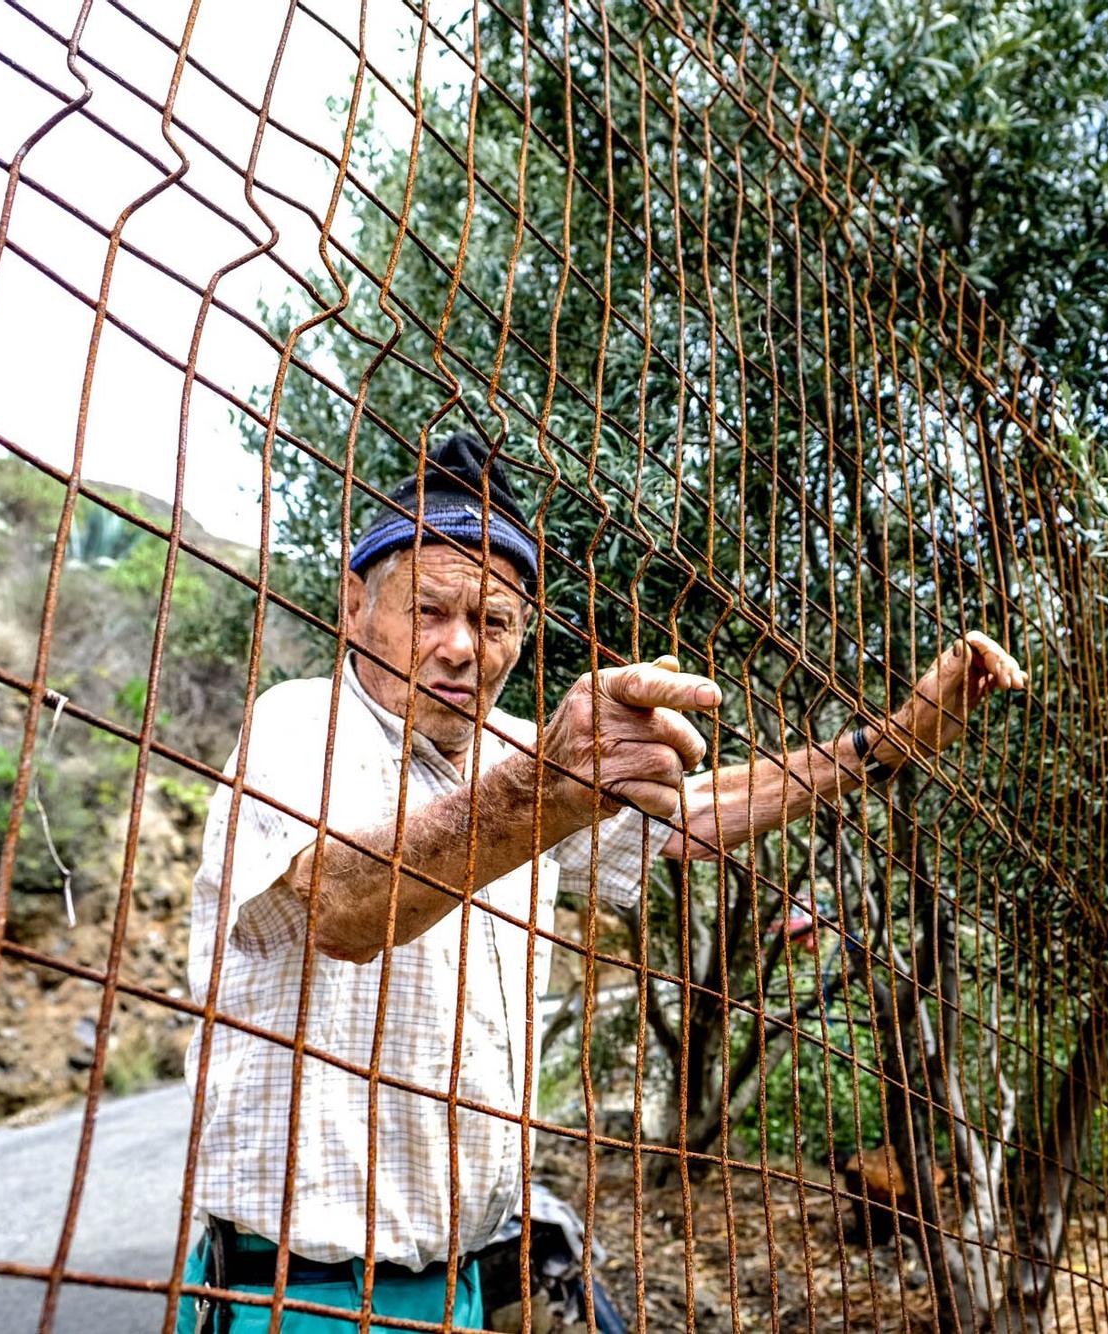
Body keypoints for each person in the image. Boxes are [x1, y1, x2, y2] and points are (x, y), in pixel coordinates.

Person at [177, 432, 1027, 1332]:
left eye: (494, 621)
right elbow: (339, 908)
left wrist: (884, 746)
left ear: (523, 636)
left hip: (461, 1286)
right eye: (429, 611)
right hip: (294, 1294)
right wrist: (546, 785)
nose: (462, 647)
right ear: (355, 606)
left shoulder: (512, 757)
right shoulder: (300, 726)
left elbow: (688, 814)